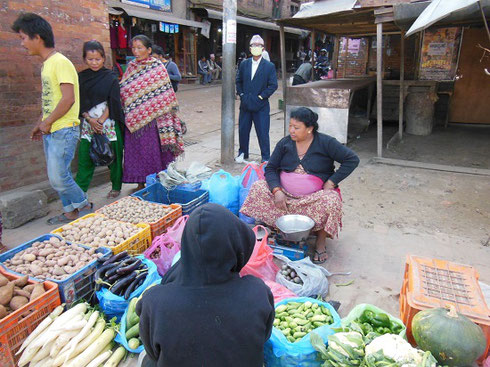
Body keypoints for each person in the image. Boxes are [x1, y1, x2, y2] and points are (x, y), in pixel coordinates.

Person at [136, 203, 274, 367]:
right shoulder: (258, 292)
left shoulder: (154, 301)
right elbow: (263, 337)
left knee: (146, 359)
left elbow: (153, 352)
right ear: (236, 246)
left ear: (186, 245)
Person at [241, 107, 359, 264]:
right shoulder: (285, 143)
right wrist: (276, 190)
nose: (291, 130)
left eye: (296, 127)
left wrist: (332, 181)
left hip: (311, 199)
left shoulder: (326, 142)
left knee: (331, 200)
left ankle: (320, 242)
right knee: (258, 187)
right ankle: (273, 230)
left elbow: (352, 159)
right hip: (284, 197)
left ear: (309, 129)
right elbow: (270, 168)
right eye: (290, 126)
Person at [12, 13, 91, 225]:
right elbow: (51, 101)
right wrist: (41, 123)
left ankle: (85, 206)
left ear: (37, 37)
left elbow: (68, 99)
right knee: (57, 177)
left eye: (23, 38)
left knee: (59, 178)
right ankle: (70, 212)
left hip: (64, 129)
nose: (22, 44)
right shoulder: (47, 64)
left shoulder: (60, 62)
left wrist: (47, 123)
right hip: (52, 129)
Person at [120, 35, 184, 192]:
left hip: (154, 120)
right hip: (136, 119)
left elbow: (165, 93)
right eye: (134, 48)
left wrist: (152, 106)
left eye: (140, 48)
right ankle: (139, 182)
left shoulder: (157, 67)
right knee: (137, 152)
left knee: (151, 151)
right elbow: (125, 89)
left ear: (149, 50)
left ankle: (155, 180)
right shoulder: (131, 67)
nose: (136, 51)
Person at [75, 40, 125, 199]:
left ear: (103, 58)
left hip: (108, 123)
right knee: (84, 158)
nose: (94, 63)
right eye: (90, 59)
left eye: (97, 59)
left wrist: (101, 121)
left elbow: (114, 101)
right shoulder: (81, 78)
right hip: (88, 124)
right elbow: (78, 102)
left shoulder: (110, 77)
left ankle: (116, 186)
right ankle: (80, 192)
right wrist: (90, 120)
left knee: (114, 157)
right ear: (85, 59)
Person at [236, 35, 278, 163]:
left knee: (262, 132)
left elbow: (273, 85)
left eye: (258, 45)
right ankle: (243, 152)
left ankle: (265, 157)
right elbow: (239, 81)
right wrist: (241, 95)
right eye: (253, 45)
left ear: (263, 48)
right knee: (243, 130)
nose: (255, 47)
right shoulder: (244, 64)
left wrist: (261, 96)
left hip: (261, 106)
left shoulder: (269, 66)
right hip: (246, 104)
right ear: (250, 48)